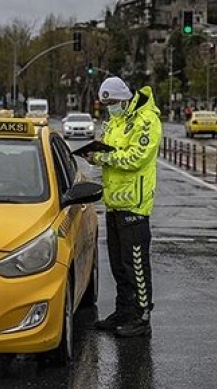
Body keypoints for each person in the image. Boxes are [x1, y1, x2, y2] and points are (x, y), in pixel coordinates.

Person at [84, 76, 162, 338]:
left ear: (125, 98)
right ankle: (124, 310)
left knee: (136, 264)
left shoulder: (147, 121)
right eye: (107, 104)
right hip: (114, 203)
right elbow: (108, 150)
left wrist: (102, 156)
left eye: (114, 103)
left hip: (135, 206)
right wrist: (94, 154)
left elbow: (136, 158)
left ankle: (142, 317)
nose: (110, 108)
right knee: (119, 263)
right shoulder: (114, 121)